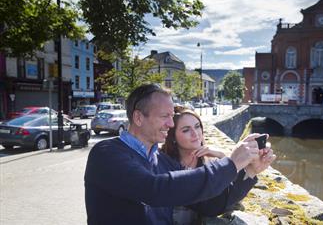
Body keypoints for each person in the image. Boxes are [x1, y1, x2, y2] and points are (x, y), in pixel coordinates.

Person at [84, 84, 274, 224]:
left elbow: (210, 205)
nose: (171, 124)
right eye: (164, 116)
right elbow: (154, 190)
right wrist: (231, 163)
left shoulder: (163, 161)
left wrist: (249, 171)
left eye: (171, 116)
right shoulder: (106, 154)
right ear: (138, 117)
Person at [161, 106, 276, 224]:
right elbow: (211, 207)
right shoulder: (167, 166)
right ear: (172, 137)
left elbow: (227, 198)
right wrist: (233, 163)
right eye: (186, 130)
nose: (195, 134)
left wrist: (251, 170)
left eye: (197, 126)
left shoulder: (207, 161)